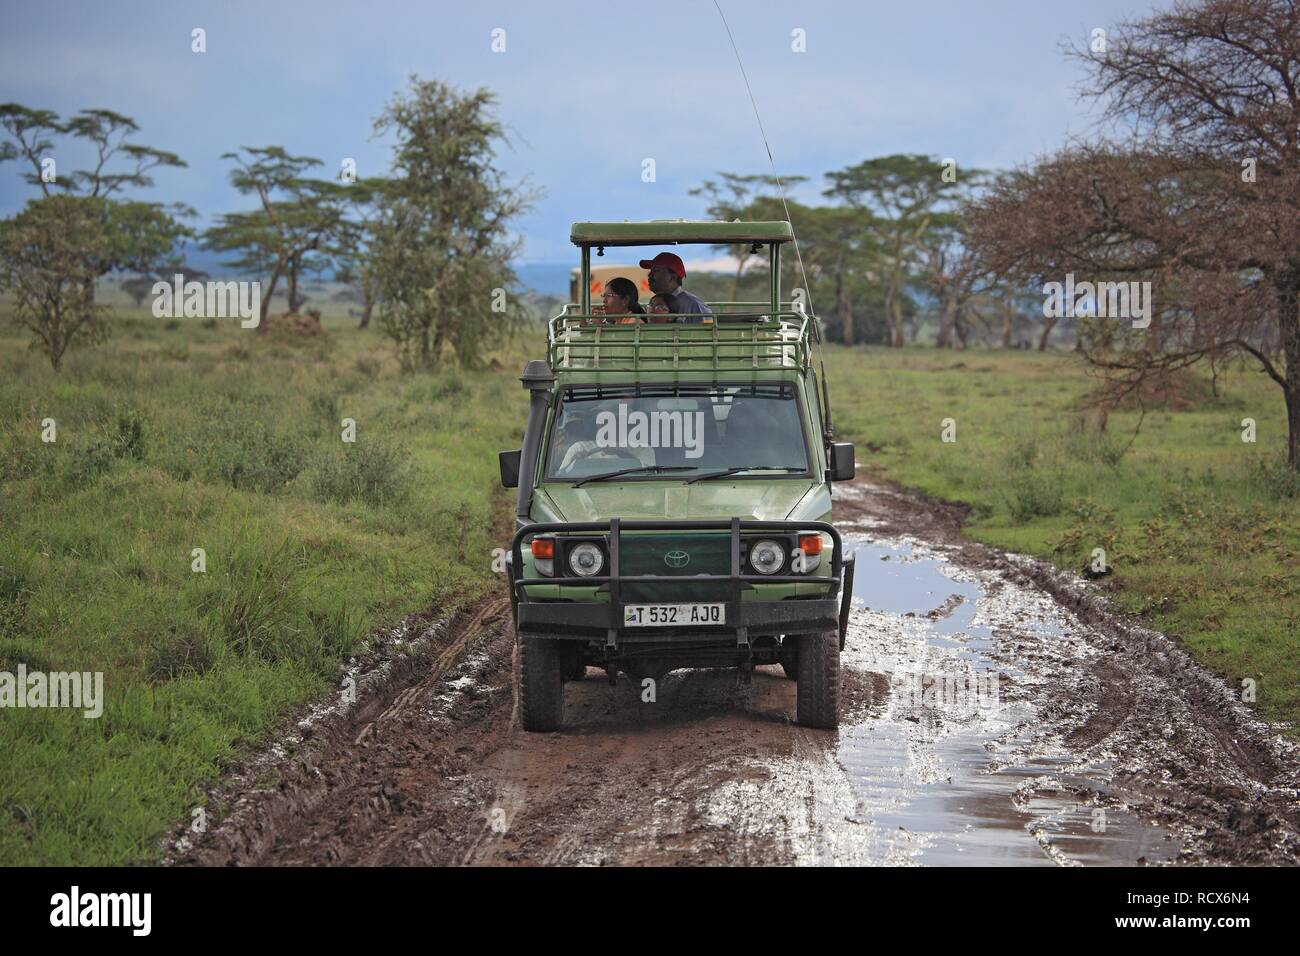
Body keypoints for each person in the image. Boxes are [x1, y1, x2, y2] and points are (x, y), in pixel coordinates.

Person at [639, 252, 711, 322]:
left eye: (657, 270)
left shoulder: (693, 304)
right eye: (651, 270)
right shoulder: (653, 304)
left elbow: (710, 332)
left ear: (673, 277)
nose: (650, 275)